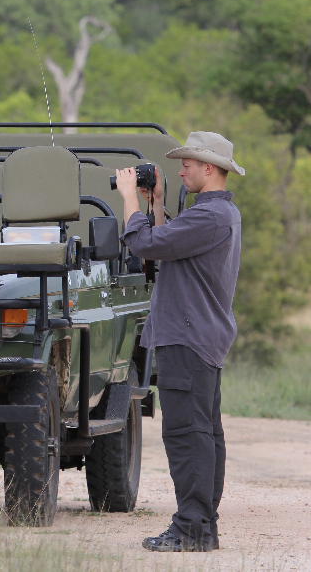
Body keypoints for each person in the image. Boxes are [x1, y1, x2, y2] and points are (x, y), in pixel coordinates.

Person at [114, 132, 244, 553]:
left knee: (188, 436)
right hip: (198, 338)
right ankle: (201, 526)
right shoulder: (215, 215)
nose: (181, 168)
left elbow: (144, 245)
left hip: (187, 339)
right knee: (203, 435)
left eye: (188, 163)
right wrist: (155, 205)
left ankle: (192, 529)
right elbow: (167, 250)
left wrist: (129, 199)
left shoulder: (209, 218)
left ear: (209, 168)